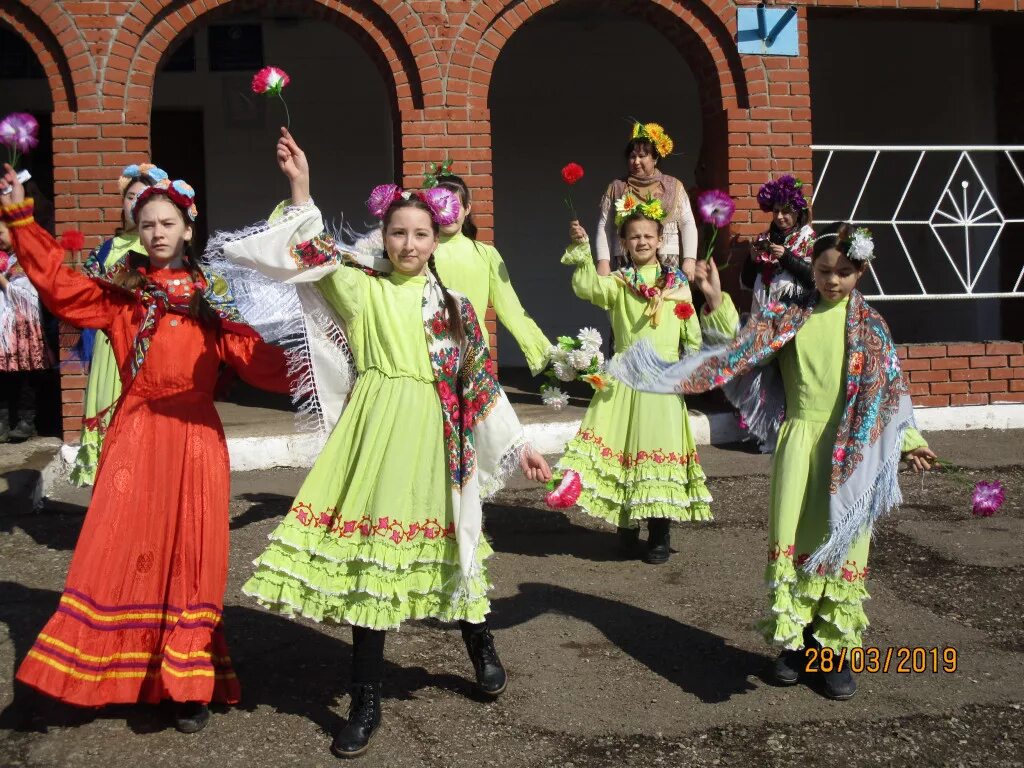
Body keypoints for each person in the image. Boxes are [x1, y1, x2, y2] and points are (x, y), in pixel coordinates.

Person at [223, 130, 551, 758]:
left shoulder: (454, 308)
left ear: (438, 241)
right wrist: (301, 187)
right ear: (384, 236)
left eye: (421, 234)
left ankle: (479, 644)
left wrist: (519, 446)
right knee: (373, 564)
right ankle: (365, 698)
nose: (409, 243)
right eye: (398, 232)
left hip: (437, 441)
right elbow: (306, 251)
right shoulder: (361, 288)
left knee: (453, 547)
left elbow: (478, 384)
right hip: (375, 435)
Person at [1, 164, 291, 733]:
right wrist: (19, 214)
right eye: (148, 223)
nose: (158, 232)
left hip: (196, 438)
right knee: (122, 546)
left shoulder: (217, 297)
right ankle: (114, 676)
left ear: (187, 228)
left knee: (191, 551)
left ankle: (187, 686)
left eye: (168, 222)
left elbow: (258, 361)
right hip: (136, 433)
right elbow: (58, 285)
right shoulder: (123, 296)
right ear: (137, 231)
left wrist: (326, 364)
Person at [611, 222, 936, 700]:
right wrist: (717, 301)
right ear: (812, 270)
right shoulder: (789, 316)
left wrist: (911, 443)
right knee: (797, 539)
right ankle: (797, 646)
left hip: (855, 449)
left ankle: (832, 654)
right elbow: (737, 351)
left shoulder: (872, 329)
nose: (833, 280)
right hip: (800, 444)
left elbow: (892, 393)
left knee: (841, 544)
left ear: (860, 271)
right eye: (824, 270)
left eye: (844, 272)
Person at [556, 195, 722, 564]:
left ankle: (660, 531)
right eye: (634, 237)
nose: (642, 242)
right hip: (625, 379)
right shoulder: (618, 282)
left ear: (661, 240)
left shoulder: (677, 284)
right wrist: (583, 247)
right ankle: (627, 525)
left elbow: (690, 329)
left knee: (658, 450)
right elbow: (588, 289)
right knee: (626, 449)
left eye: (648, 236)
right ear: (624, 244)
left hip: (661, 382)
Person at [71, 163, 167, 485]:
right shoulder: (106, 250)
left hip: (151, 341)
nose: (134, 202)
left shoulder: (162, 245)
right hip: (110, 344)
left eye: (142, 196)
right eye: (129, 197)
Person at [428, 169, 552, 376]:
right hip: (430, 347)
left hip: (473, 349)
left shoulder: (486, 254)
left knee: (472, 407)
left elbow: (510, 306)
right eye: (441, 205)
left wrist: (540, 348)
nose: (448, 212)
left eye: (455, 205)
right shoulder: (420, 252)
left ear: (467, 209)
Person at [593, 122, 698, 281]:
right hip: (626, 261)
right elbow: (604, 226)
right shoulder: (617, 188)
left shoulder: (673, 186)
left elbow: (688, 223)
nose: (636, 161)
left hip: (666, 259)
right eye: (632, 156)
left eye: (642, 156)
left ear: (655, 158)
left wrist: (690, 259)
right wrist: (603, 261)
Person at [0, 218, 55, 441]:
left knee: (26, 375)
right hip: (4, 328)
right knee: (3, 375)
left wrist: (3, 283)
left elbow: (28, 295)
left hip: (24, 327)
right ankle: (3, 421)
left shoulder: (26, 260)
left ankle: (26, 420)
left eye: (1, 233)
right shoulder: (5, 260)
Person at [742, 174, 816, 313]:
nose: (779, 217)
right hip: (761, 312)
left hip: (792, 311)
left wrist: (786, 257)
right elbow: (747, 282)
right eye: (776, 211)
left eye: (786, 211)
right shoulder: (764, 238)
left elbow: (813, 277)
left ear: (797, 213)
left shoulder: (808, 237)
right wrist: (751, 260)